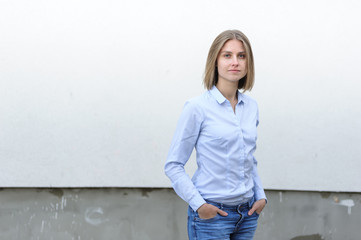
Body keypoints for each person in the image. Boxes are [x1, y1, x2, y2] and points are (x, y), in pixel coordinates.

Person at [164, 29, 267, 240]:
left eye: (241, 55)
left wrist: (261, 196)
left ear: (248, 63)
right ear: (215, 61)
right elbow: (173, 165)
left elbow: (247, 159)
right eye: (227, 55)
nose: (235, 62)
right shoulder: (197, 108)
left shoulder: (251, 107)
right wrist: (200, 205)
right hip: (212, 217)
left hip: (247, 215)